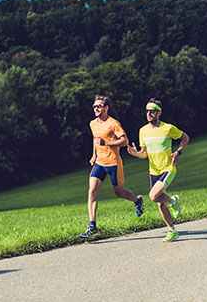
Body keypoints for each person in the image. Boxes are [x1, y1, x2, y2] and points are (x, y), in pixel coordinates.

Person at [79, 95, 144, 239]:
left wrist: (107, 144)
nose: (96, 108)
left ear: (106, 107)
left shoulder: (113, 123)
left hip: (114, 163)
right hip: (100, 163)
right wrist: (94, 155)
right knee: (92, 192)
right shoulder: (92, 123)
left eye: (99, 106)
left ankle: (137, 201)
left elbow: (124, 140)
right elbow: (96, 139)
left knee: (119, 193)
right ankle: (92, 226)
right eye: (94, 106)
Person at [127, 98, 189, 242]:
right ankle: (172, 230)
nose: (148, 113)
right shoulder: (143, 131)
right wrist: (135, 153)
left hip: (168, 168)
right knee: (160, 203)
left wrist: (178, 152)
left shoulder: (168, 128)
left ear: (159, 113)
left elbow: (185, 138)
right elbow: (144, 153)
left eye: (152, 111)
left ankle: (173, 202)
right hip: (153, 171)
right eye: (147, 111)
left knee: (154, 196)